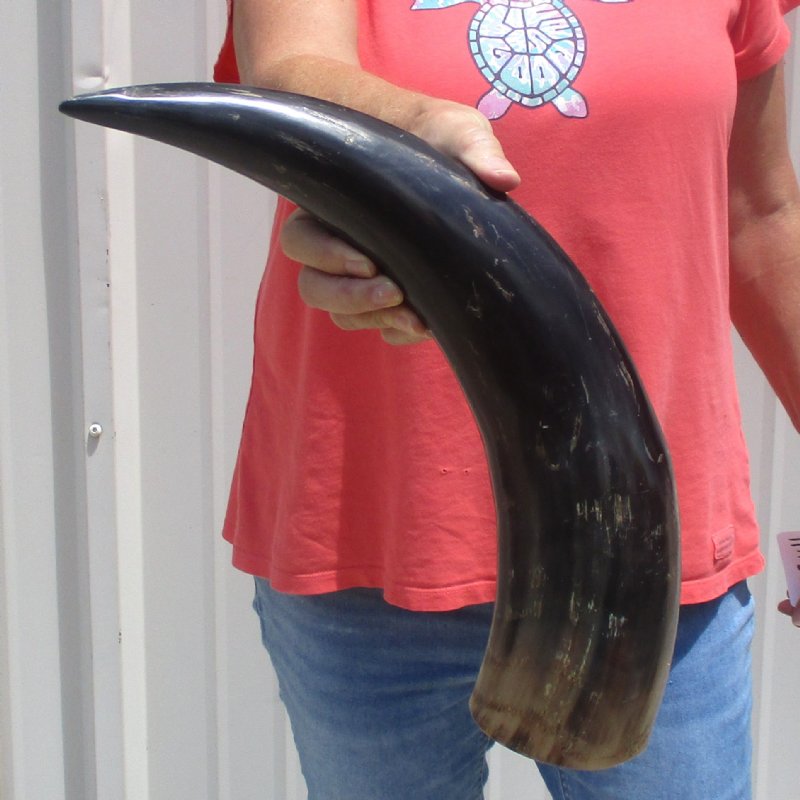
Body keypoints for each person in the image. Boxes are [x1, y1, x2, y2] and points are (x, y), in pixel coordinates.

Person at [213, 0, 800, 797]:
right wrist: (407, 133)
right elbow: (288, 70)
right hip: (368, 538)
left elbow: (759, 213)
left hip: (652, 559)